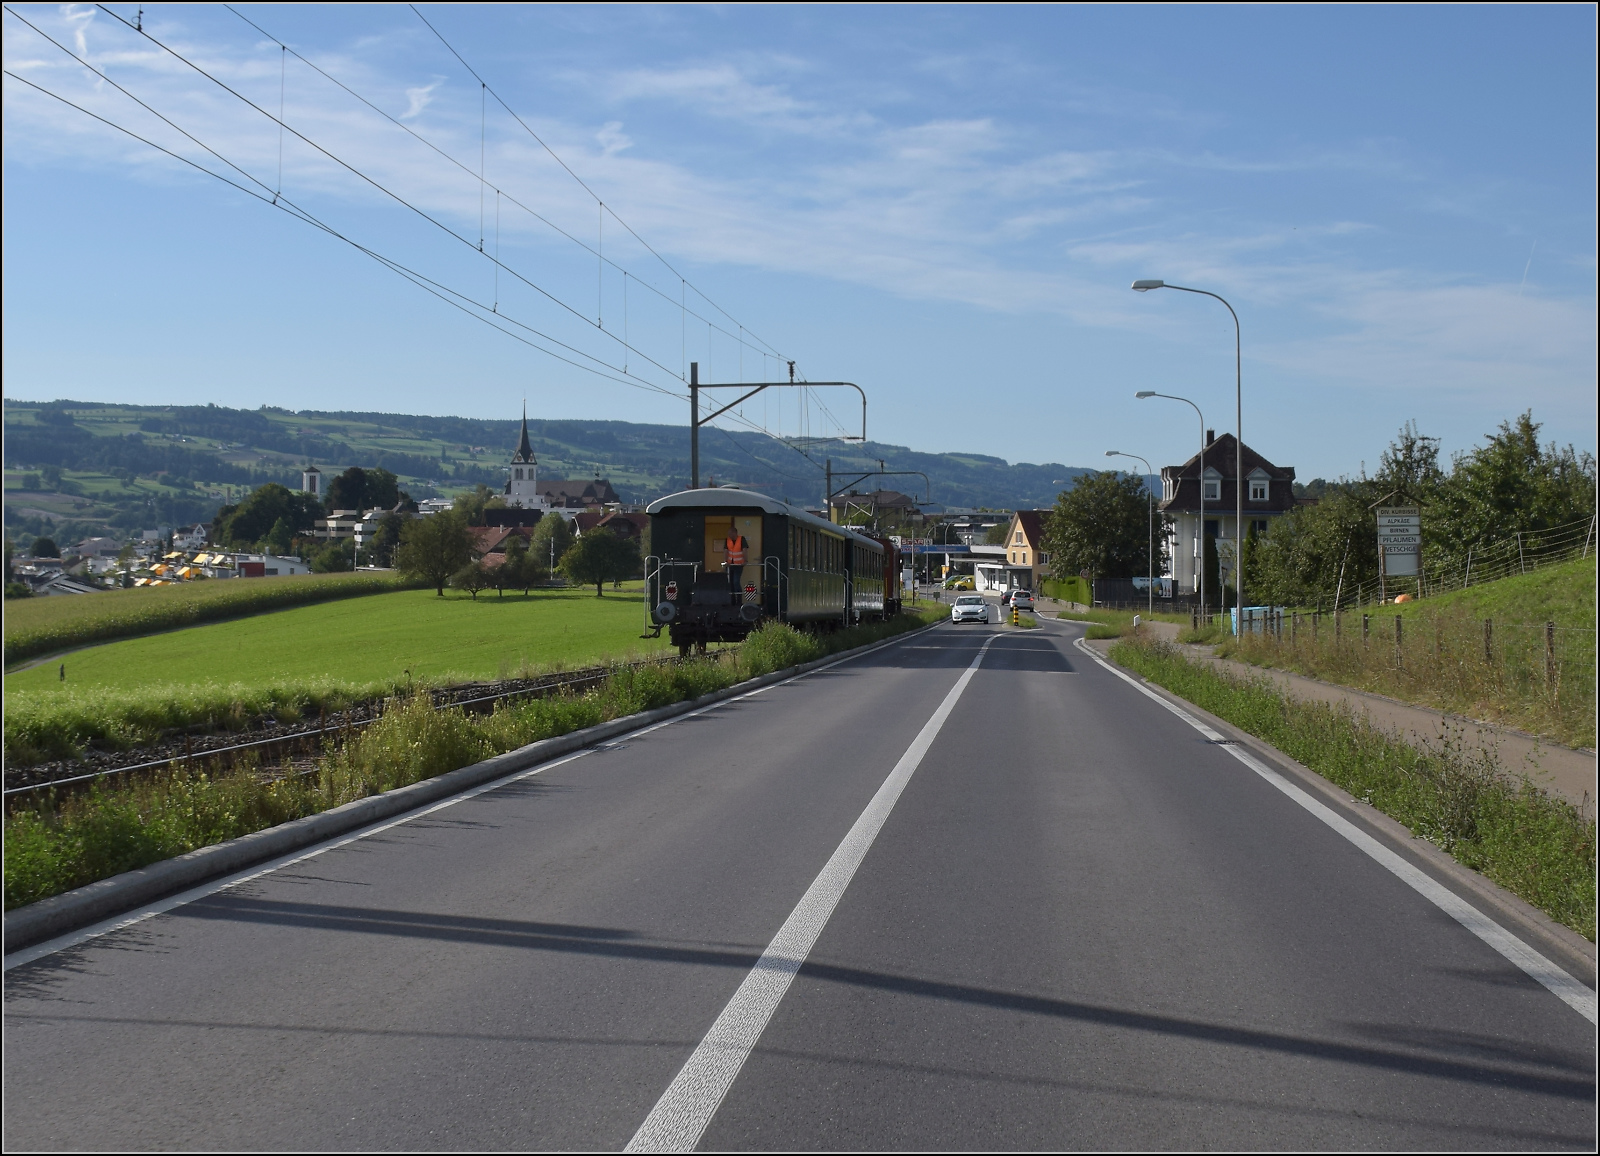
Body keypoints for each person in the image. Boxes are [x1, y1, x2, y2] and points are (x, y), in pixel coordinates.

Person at [725, 528, 748, 598]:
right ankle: (732, 600)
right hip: (729, 565)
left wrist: (745, 560)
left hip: (738, 564)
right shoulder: (727, 540)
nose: (729, 535)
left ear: (735, 533)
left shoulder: (741, 539)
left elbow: (745, 550)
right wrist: (726, 561)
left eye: (730, 533)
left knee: (736, 582)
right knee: (730, 583)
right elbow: (725, 551)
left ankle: (739, 600)